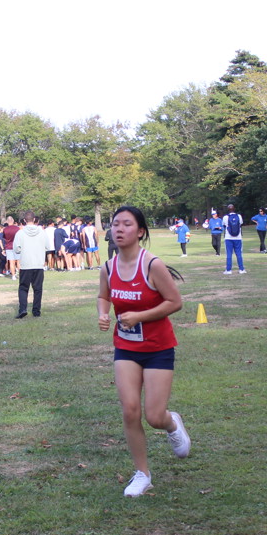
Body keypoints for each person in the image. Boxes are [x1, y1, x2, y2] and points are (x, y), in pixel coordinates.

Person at [96, 205, 191, 498]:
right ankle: (142, 474)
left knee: (154, 416)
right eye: (115, 224)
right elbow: (103, 295)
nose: (119, 229)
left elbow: (174, 302)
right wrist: (103, 313)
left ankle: (171, 423)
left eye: (127, 224)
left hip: (158, 348)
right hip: (126, 347)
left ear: (140, 232)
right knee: (130, 410)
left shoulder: (152, 265)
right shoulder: (108, 267)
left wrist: (139, 316)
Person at [13, 211, 47, 318]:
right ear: (35, 219)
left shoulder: (20, 233)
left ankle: (23, 309)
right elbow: (47, 246)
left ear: (24, 220)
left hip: (26, 263)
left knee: (23, 288)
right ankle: (36, 311)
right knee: (38, 289)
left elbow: (16, 249)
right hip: (38, 263)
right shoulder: (42, 232)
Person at [222, 204, 246, 274]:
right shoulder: (239, 216)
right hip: (238, 238)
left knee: (229, 254)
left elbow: (224, 225)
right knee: (239, 253)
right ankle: (241, 269)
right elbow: (241, 223)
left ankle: (228, 270)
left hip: (228, 238)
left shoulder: (225, 217)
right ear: (234, 209)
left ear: (228, 209)